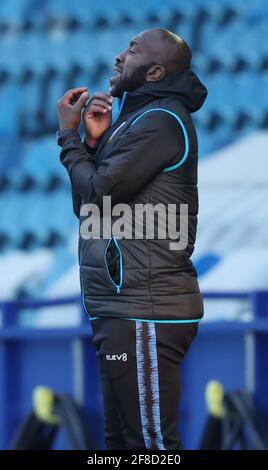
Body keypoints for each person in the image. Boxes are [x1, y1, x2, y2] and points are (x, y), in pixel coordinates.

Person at [57, 28, 207, 450]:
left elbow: (100, 189)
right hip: (120, 308)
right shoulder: (135, 121)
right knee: (121, 444)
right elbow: (90, 204)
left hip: (146, 308)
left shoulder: (162, 120)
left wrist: (68, 139)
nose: (120, 56)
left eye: (134, 50)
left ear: (156, 71)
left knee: (152, 447)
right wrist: (88, 143)